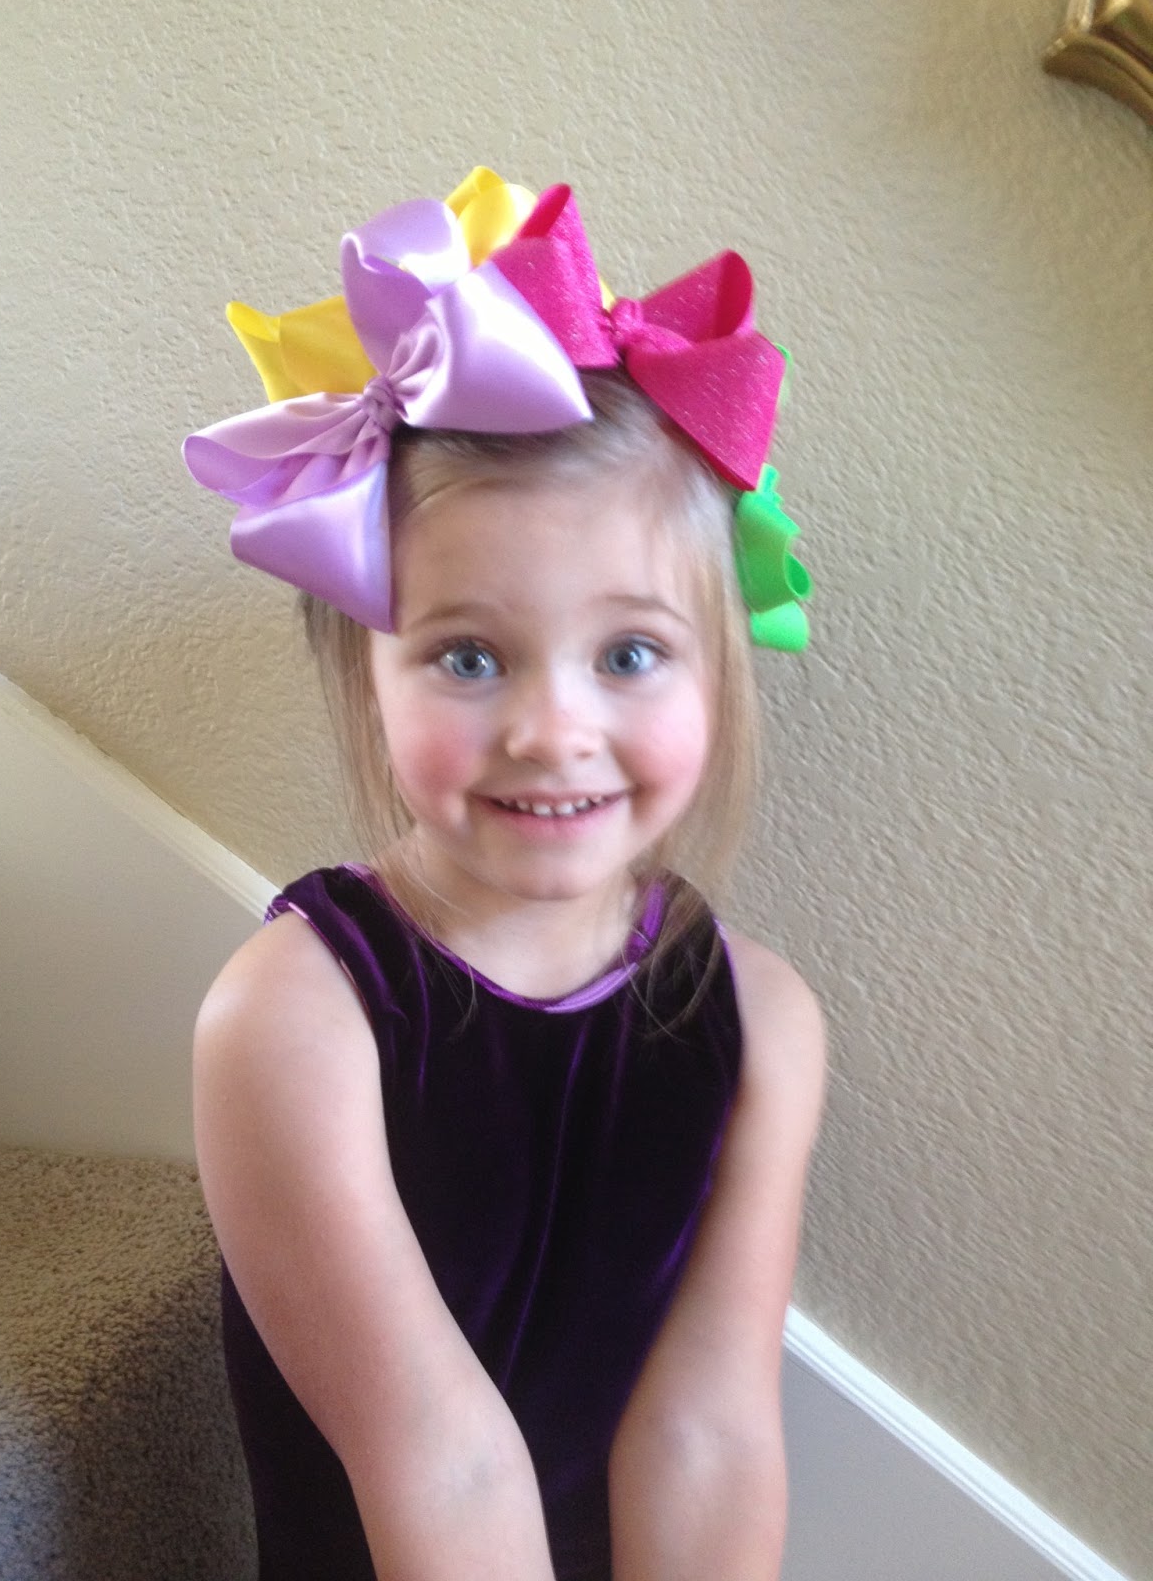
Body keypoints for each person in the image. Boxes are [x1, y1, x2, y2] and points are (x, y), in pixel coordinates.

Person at [184, 167, 826, 1581]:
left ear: (719, 672)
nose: (551, 730)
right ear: (365, 670)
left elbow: (710, 1434)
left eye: (630, 652)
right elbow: (442, 1459)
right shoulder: (292, 1018)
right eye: (469, 656)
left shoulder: (767, 1024)